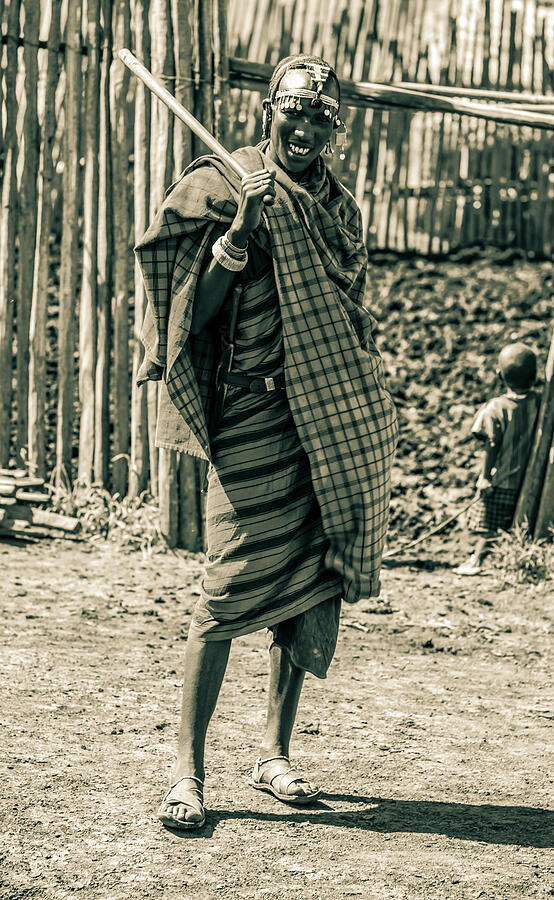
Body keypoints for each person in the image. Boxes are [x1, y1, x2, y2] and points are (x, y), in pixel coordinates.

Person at [135, 54, 398, 830]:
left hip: (330, 421)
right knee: (223, 592)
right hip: (252, 417)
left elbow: (347, 319)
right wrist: (243, 229)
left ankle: (274, 753)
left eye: (324, 117)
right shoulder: (225, 184)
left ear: (336, 130)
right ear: (267, 112)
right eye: (296, 111)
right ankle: (187, 772)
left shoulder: (340, 213)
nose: (307, 127)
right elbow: (193, 313)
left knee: (310, 589)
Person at [456, 342, 540, 576]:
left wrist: (484, 478)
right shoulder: (540, 404)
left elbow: (491, 444)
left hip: (502, 480)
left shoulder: (495, 409)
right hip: (530, 478)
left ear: (498, 374)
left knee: (489, 526)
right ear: (535, 376)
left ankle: (477, 561)